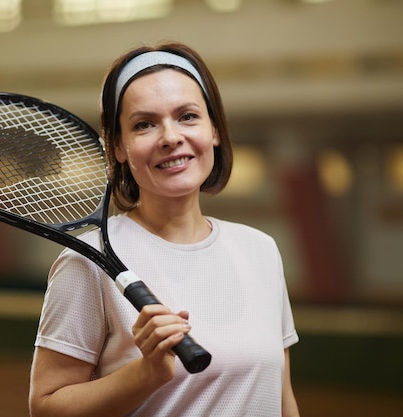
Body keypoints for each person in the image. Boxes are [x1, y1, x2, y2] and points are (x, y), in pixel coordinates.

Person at [29, 41, 301, 417]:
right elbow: (46, 407)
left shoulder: (261, 250)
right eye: (144, 124)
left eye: (187, 116)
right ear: (118, 147)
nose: (171, 137)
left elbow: (282, 398)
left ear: (215, 131)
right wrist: (147, 373)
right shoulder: (85, 261)